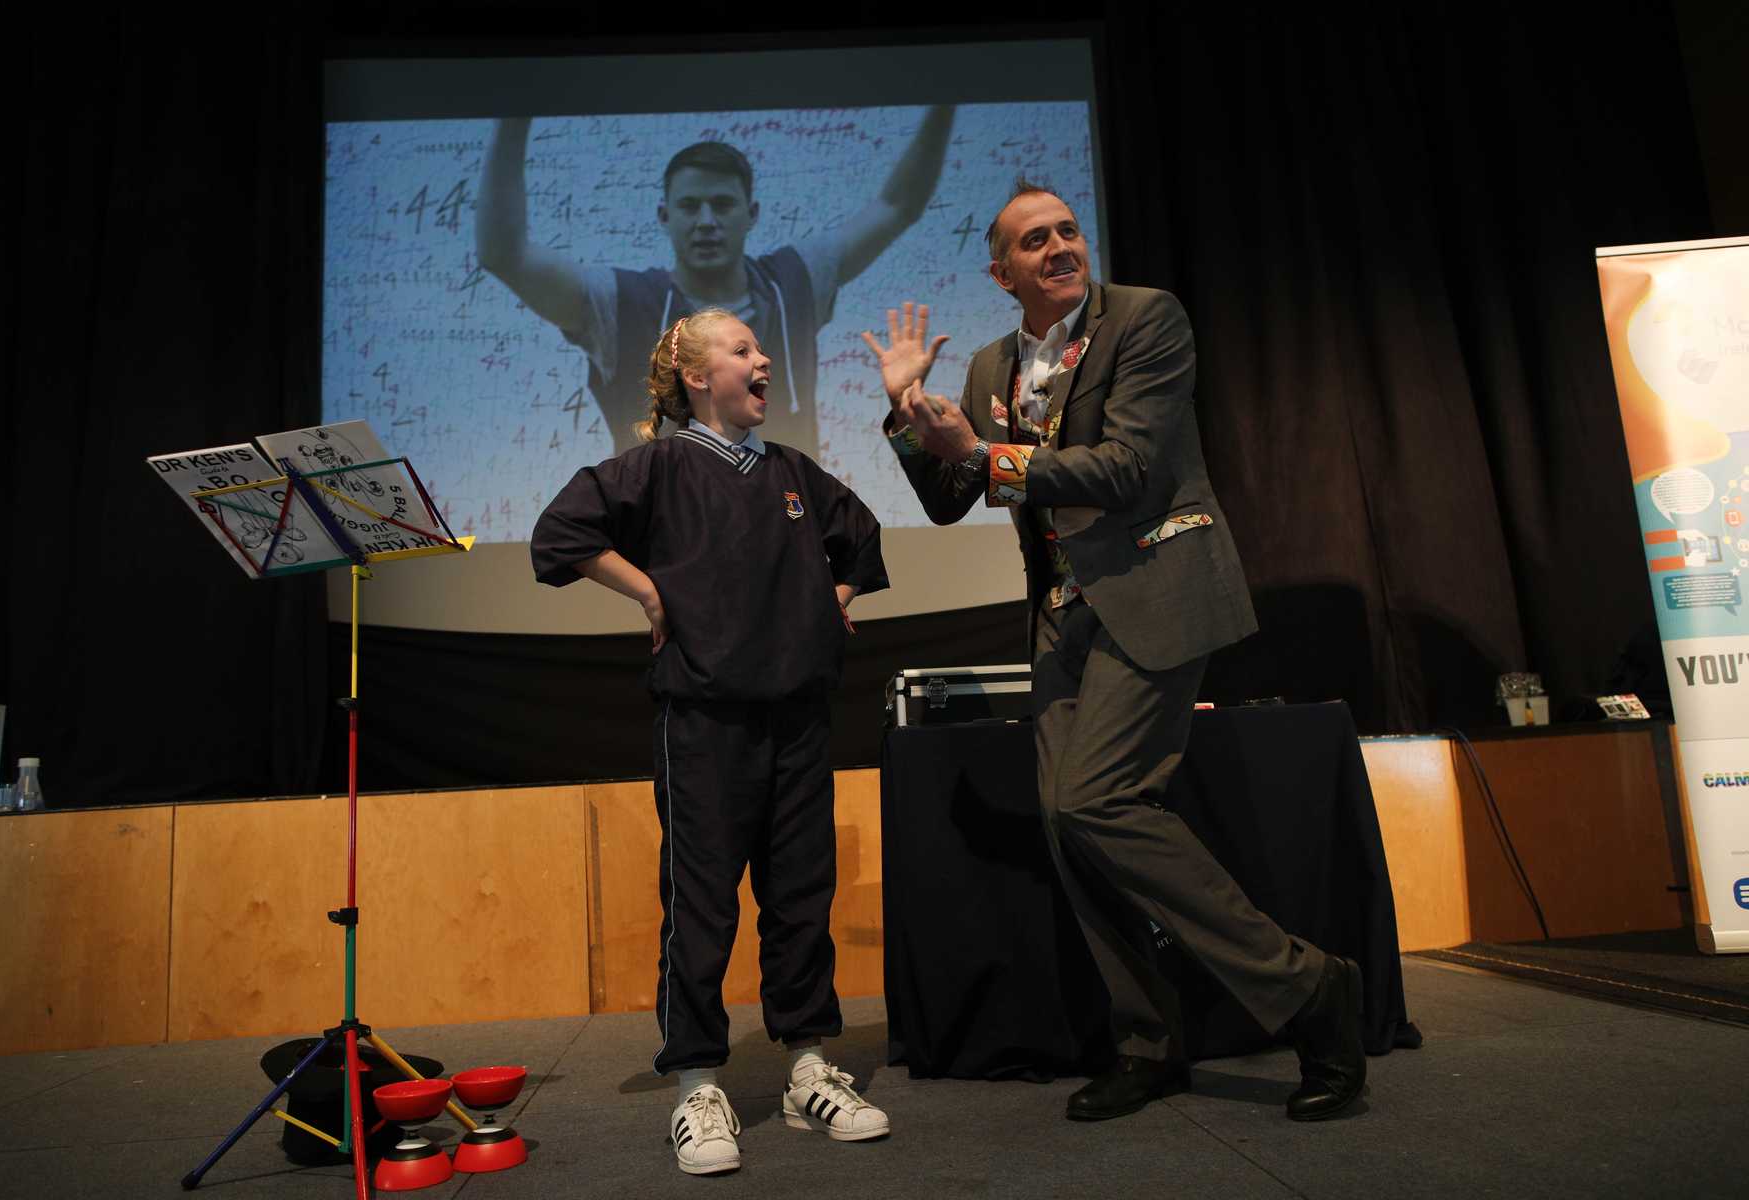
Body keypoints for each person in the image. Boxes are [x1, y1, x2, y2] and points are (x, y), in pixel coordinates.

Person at [860, 182, 1368, 1123]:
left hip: (1158, 584)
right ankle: (1147, 1041)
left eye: (1066, 230)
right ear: (1000, 271)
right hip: (1061, 611)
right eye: (1032, 239)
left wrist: (987, 453)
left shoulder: (1146, 319)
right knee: (1067, 823)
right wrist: (903, 413)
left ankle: (1307, 987)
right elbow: (946, 494)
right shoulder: (986, 365)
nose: (1058, 246)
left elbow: (1131, 468)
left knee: (1098, 798)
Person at [531, 308, 892, 1175]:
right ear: (697, 377)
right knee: (702, 907)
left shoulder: (794, 473)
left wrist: (835, 597)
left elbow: (862, 541)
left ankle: (807, 1067)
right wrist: (650, 596)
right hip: (702, 721)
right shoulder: (656, 466)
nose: (764, 359)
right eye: (742, 350)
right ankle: (697, 1081)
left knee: (801, 896)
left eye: (762, 348)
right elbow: (560, 534)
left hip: (799, 719)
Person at [480, 107, 955, 458]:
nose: (706, 220)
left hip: (785, 526)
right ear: (664, 216)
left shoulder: (795, 282)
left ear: (751, 215)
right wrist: (515, 113)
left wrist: (947, 98)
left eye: (722, 205)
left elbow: (897, 206)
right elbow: (504, 255)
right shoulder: (621, 301)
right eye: (689, 207)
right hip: (667, 545)